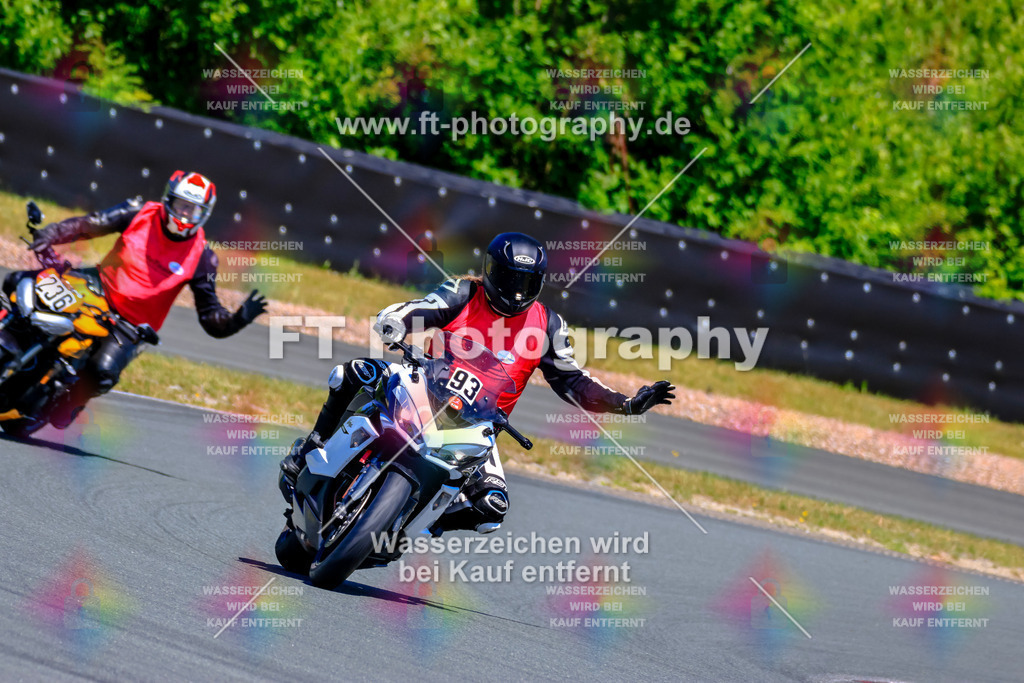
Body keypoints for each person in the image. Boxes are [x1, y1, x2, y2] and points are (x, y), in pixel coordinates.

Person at [280, 232, 675, 534]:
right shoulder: (464, 292)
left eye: (526, 281)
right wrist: (396, 320)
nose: (515, 290)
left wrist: (625, 404)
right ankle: (311, 448)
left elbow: (573, 381)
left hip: (476, 425)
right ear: (490, 270)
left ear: (539, 282)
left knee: (493, 508)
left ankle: (409, 527)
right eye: (508, 277)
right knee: (352, 373)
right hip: (423, 384)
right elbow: (422, 309)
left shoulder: (549, 325)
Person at [4, 170, 267, 428]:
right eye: (181, 205)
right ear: (168, 200)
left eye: (193, 209)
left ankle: (72, 401)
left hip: (132, 322)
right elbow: (90, 224)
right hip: (96, 285)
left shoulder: (203, 257)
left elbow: (210, 316)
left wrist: (238, 320)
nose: (185, 214)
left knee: (102, 370)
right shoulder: (139, 211)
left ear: (204, 214)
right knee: (20, 282)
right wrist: (52, 233)